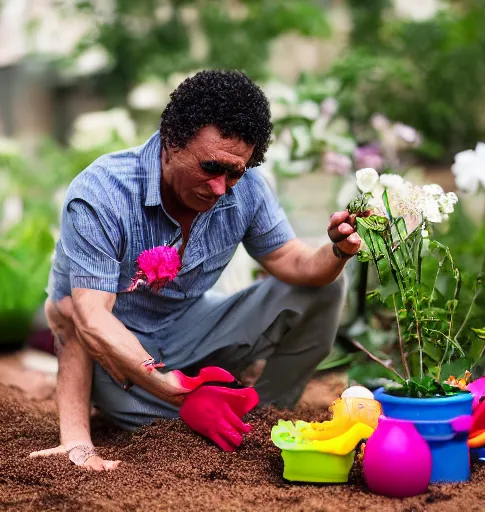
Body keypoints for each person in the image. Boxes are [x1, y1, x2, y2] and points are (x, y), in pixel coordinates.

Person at [30, 70, 362, 471]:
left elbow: (293, 262)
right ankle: (195, 407)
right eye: (210, 167)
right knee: (149, 407)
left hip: (191, 326)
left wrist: (337, 251)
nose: (221, 187)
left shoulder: (248, 187)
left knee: (325, 288)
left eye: (235, 172)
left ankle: (265, 419)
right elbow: (89, 317)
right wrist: (175, 392)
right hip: (117, 352)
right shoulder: (101, 194)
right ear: (171, 143)